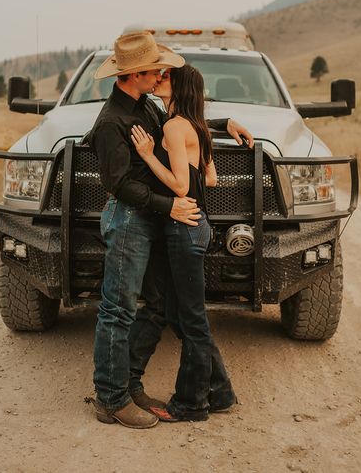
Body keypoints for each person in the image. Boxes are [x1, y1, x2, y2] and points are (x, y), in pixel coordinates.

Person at [86, 31, 254, 429]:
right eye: (154, 69)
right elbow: (119, 185)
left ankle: (130, 384)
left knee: (159, 306)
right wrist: (172, 205)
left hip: (155, 219)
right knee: (118, 308)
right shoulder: (112, 122)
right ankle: (111, 399)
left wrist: (222, 122)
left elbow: (181, 123)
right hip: (129, 219)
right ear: (133, 75)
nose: (161, 72)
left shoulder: (145, 108)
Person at [130, 64, 235, 421]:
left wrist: (147, 156)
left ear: (180, 87)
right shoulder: (197, 127)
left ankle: (191, 404)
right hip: (196, 226)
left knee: (192, 320)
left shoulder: (176, 127)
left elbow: (180, 186)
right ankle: (220, 392)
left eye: (165, 78)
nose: (158, 79)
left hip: (184, 229)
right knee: (180, 313)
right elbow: (211, 178)